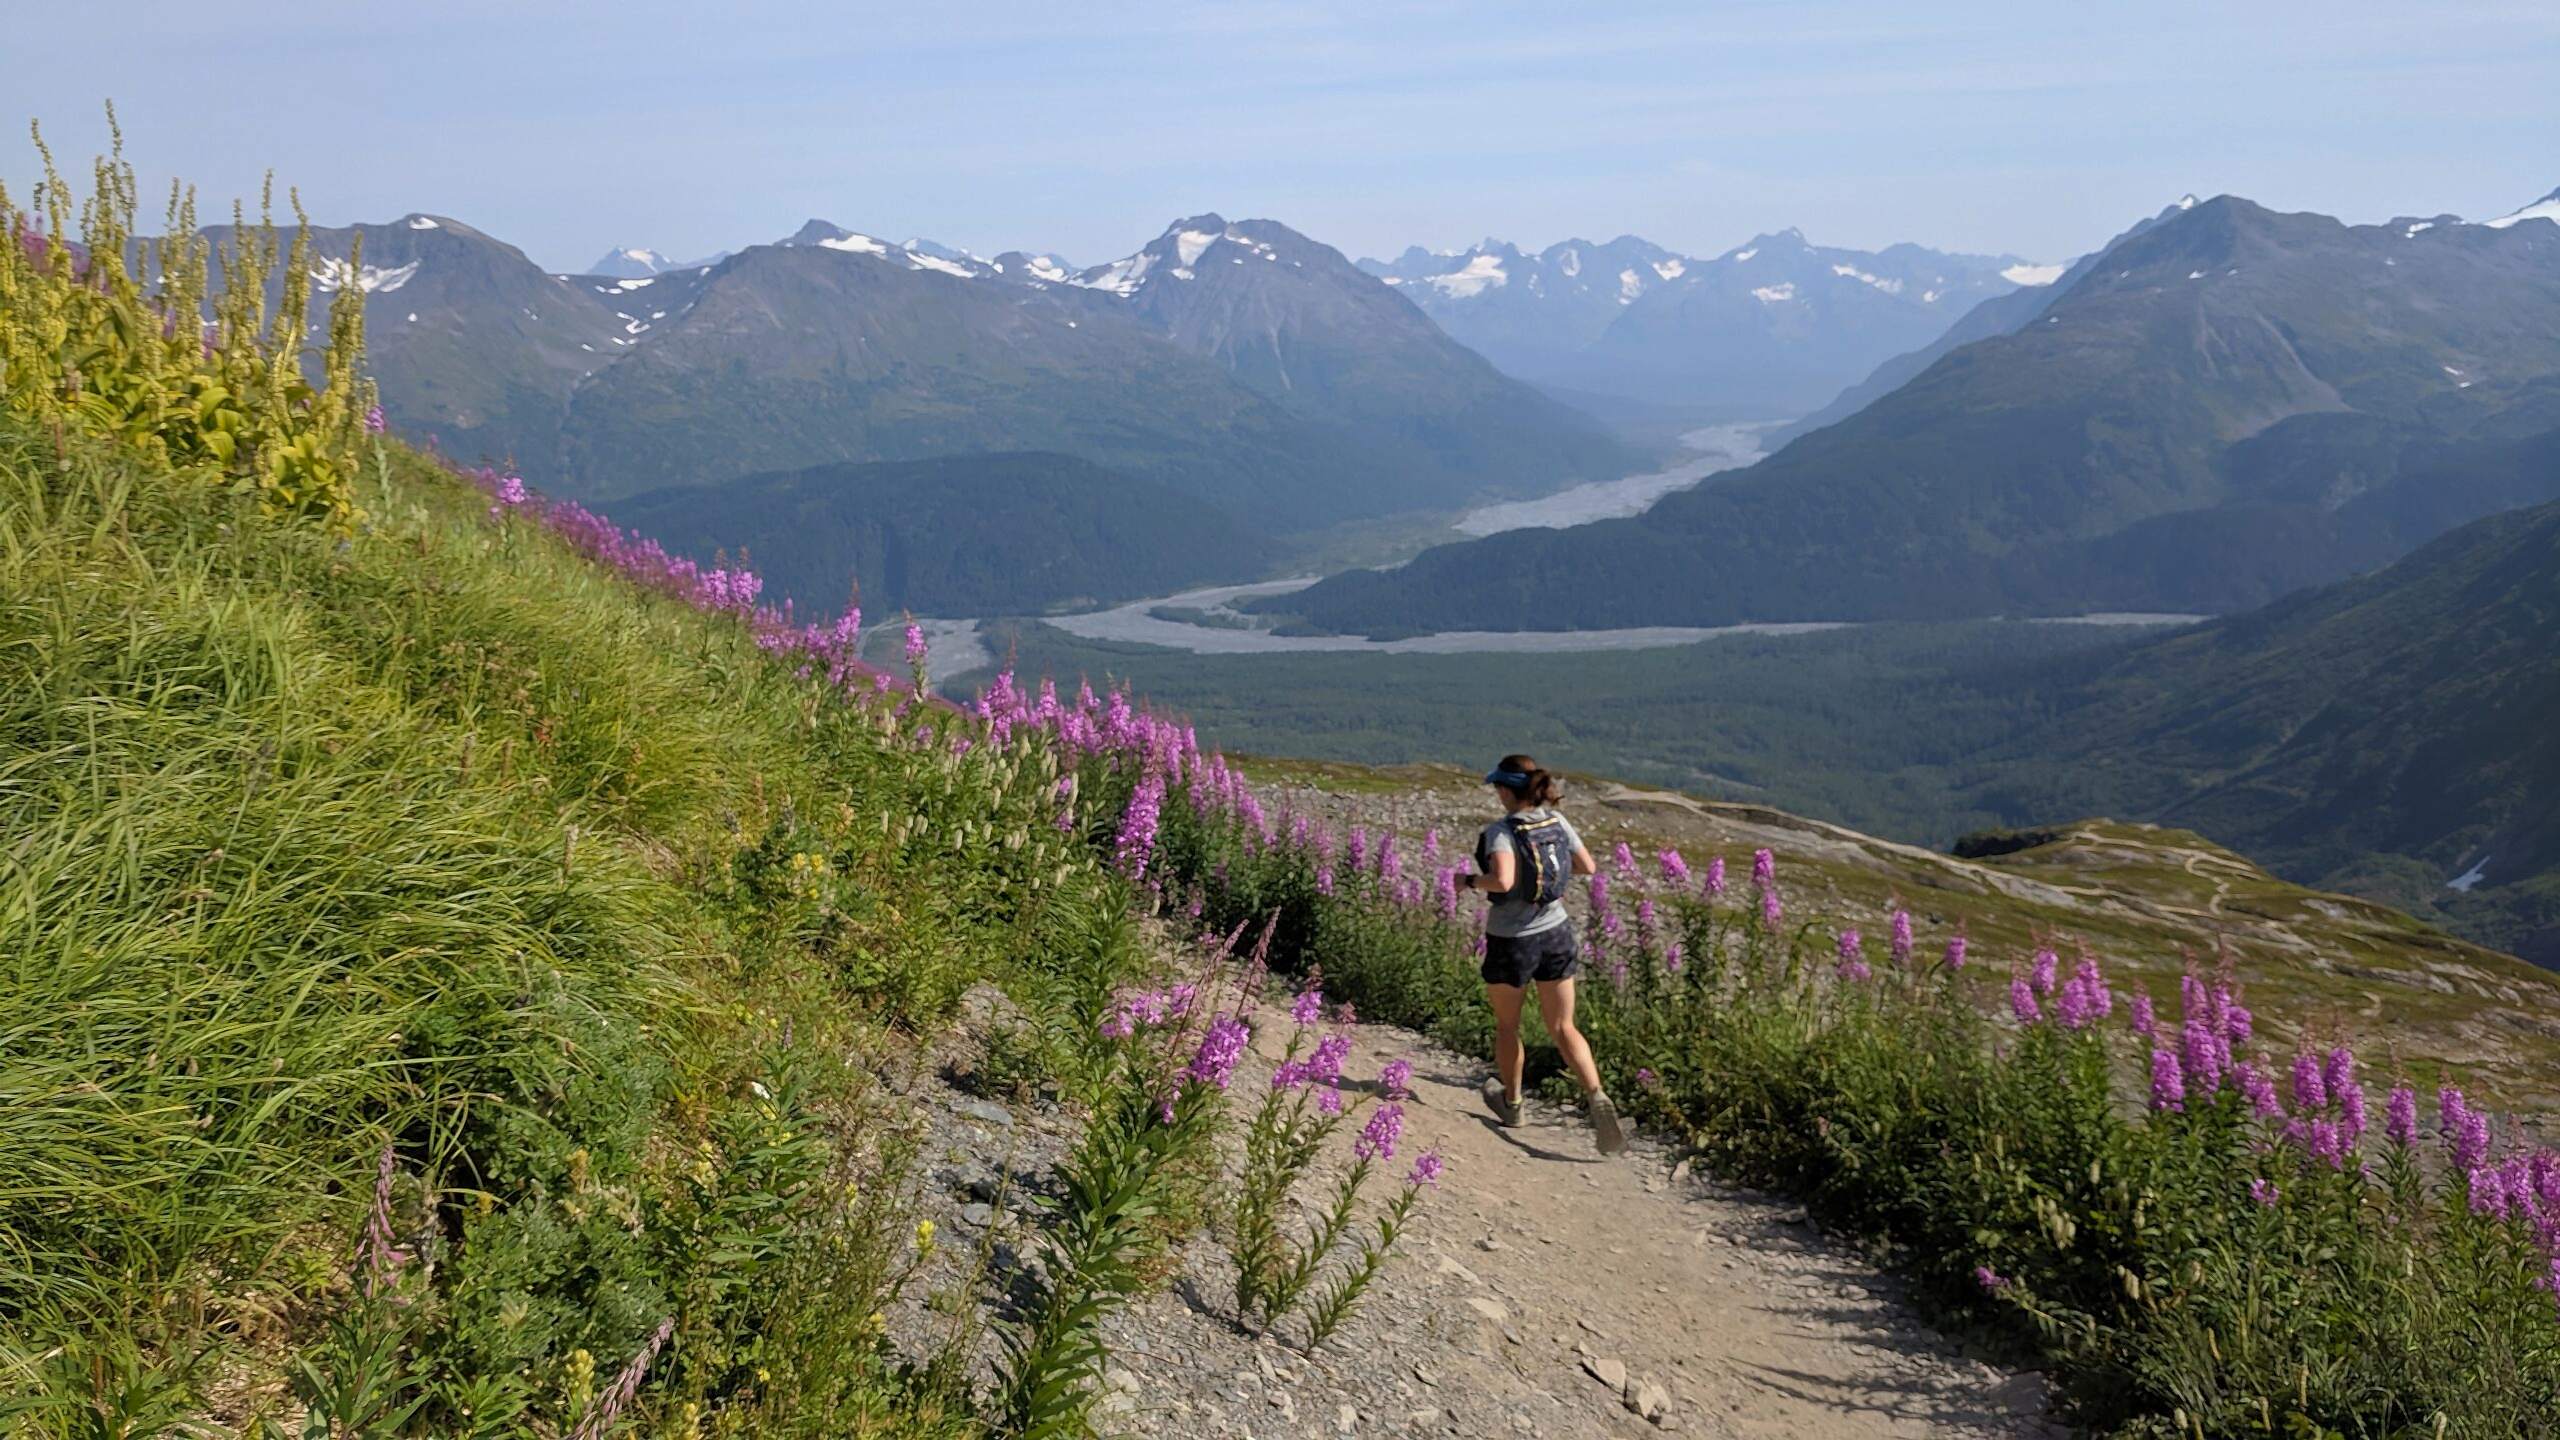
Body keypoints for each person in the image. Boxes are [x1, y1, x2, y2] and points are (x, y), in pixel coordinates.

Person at [1466, 754, 1626, 1156]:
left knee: (1508, 1025)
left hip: (1512, 940)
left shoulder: (1502, 832)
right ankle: (1597, 1096)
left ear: (1505, 790)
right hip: (1557, 932)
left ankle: (1513, 1104)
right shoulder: (1556, 821)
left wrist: (1468, 880)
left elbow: (1501, 880)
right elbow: (1586, 866)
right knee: (1563, 1026)